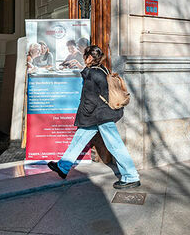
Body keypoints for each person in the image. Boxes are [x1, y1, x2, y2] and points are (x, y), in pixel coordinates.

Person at [48, 45, 140, 189]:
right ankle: (63, 166)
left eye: (85, 56)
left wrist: (82, 116)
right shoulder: (103, 69)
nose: (84, 59)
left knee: (115, 145)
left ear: (89, 57)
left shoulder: (91, 74)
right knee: (79, 138)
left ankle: (131, 176)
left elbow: (90, 100)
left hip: (101, 115)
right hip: (101, 113)